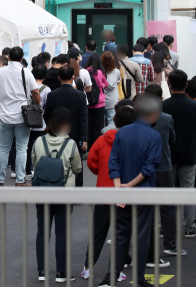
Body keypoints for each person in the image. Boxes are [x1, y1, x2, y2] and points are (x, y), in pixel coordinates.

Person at [98, 93, 163, 287]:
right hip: (143, 192)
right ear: (153, 113)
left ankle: (112, 277)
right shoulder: (154, 135)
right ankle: (140, 279)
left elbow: (114, 161)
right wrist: (131, 185)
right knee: (142, 236)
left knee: (120, 236)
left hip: (121, 193)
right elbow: (150, 168)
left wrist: (120, 187)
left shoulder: (122, 133)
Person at [81, 107, 136, 281]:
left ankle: (87, 268)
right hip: (125, 192)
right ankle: (116, 272)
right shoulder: (134, 142)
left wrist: (101, 173)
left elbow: (91, 162)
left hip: (104, 191)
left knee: (98, 231)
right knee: (121, 234)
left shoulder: (101, 140)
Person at [32, 108, 82, 283]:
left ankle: (42, 271)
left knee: (42, 231)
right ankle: (61, 272)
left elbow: (35, 162)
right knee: (62, 232)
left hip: (42, 192)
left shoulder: (39, 142)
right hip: (64, 193)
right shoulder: (71, 144)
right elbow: (77, 168)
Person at [162, 70, 196, 238]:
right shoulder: (195, 106)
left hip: (168, 155)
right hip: (189, 152)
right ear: (186, 85)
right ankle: (189, 227)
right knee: (188, 190)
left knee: (168, 190)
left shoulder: (164, 105)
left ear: (170, 85)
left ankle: (166, 226)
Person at [0, 46, 41, 186]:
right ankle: (20, 180)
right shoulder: (26, 72)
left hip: (5, 116)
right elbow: (35, 92)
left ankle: (0, 180)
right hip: (22, 116)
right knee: (21, 148)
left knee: (4, 148)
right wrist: (38, 105)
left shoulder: (0, 72)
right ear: (22, 59)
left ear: (9, 58)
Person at [143, 84, 182, 260]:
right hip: (164, 167)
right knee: (167, 208)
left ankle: (147, 248)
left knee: (145, 209)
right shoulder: (167, 118)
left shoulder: (138, 118)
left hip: (142, 171)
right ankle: (170, 246)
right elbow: (173, 140)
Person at [44, 65, 89, 185]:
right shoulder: (80, 95)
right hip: (75, 133)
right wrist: (84, 138)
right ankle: (77, 188)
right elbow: (83, 117)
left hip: (56, 132)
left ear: (59, 77)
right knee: (76, 161)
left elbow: (46, 114)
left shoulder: (52, 95)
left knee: (56, 158)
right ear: (73, 77)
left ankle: (57, 184)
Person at [27, 64, 51, 179]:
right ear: (44, 76)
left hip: (27, 121)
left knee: (26, 147)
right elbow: (48, 106)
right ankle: (39, 170)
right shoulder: (46, 89)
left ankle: (27, 170)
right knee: (40, 147)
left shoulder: (27, 86)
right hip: (41, 123)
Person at [85, 52, 108, 148]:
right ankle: (97, 146)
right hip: (99, 102)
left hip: (88, 102)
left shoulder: (86, 71)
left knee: (89, 125)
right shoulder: (99, 72)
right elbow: (106, 84)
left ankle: (88, 146)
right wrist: (101, 86)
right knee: (98, 126)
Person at [102, 51, 121, 125]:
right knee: (111, 123)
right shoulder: (117, 72)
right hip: (113, 101)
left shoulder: (100, 72)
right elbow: (118, 81)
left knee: (102, 123)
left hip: (102, 101)